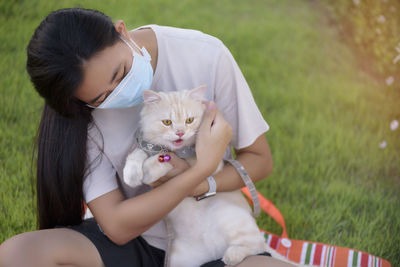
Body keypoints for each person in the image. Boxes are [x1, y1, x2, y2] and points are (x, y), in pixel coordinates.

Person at [0, 7, 295, 267]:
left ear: (122, 31)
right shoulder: (80, 114)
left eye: (121, 73)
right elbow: (116, 225)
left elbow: (259, 160)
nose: (120, 91)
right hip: (135, 242)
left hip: (212, 235)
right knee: (17, 254)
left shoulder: (205, 54)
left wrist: (205, 182)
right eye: (102, 96)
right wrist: (200, 170)